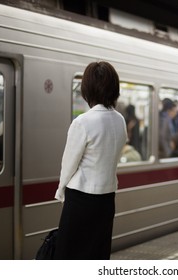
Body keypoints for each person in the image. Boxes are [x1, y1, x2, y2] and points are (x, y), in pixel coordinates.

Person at [54, 61, 127, 259]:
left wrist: (61, 192)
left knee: (69, 256)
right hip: (106, 200)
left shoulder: (83, 122)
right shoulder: (120, 120)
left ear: (88, 89)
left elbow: (68, 164)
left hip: (80, 200)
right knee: (97, 254)